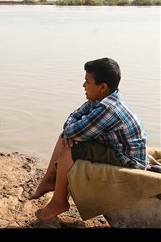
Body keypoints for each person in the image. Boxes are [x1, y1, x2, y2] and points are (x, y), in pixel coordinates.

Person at [28, 57, 148, 221]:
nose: (83, 85)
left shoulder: (108, 108)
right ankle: (49, 180)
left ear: (102, 87)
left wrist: (72, 132)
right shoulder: (100, 99)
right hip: (114, 148)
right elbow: (73, 117)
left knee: (69, 147)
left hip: (128, 160)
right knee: (65, 136)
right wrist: (71, 132)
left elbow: (73, 129)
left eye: (87, 82)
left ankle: (59, 201)